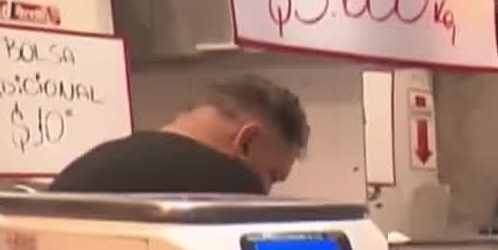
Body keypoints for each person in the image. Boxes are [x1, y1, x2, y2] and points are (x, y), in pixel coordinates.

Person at [51, 75, 308, 194]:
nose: (266, 191)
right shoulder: (234, 184)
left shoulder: (93, 162)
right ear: (246, 141)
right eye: (272, 177)